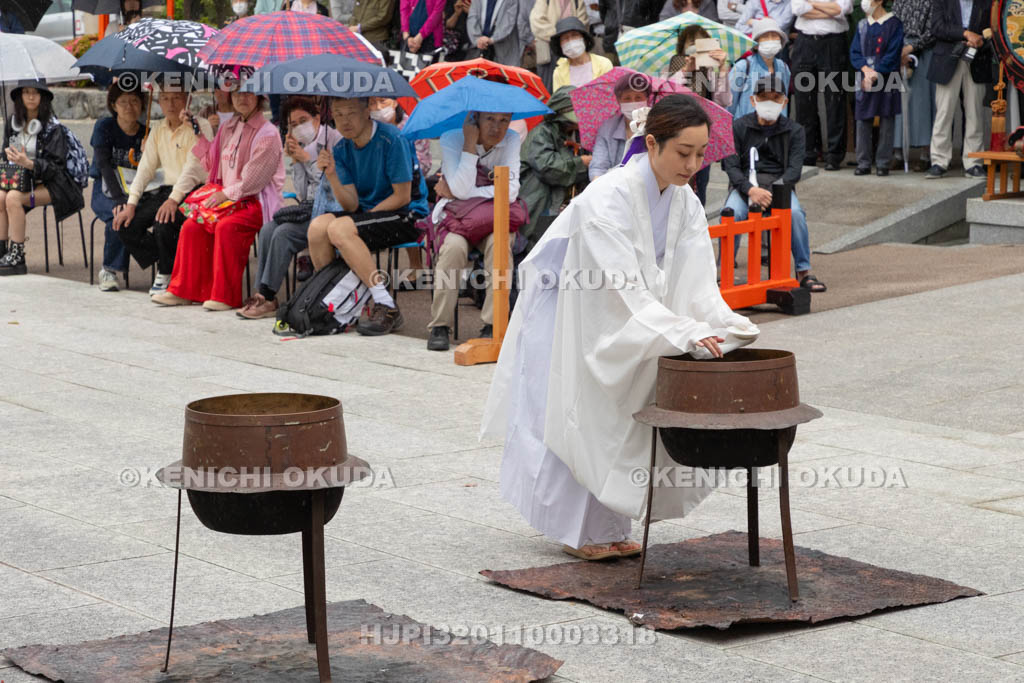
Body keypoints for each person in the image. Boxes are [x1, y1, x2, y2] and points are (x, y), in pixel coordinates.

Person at [481, 95, 757, 560]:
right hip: (576, 306)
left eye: (700, 154)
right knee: (581, 406)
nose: (692, 164)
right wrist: (676, 328)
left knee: (625, 408)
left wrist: (719, 321)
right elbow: (616, 284)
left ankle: (609, 526)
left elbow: (696, 278)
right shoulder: (606, 197)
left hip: (632, 310)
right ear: (651, 144)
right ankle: (579, 531)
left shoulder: (684, 199)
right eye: (682, 153)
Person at [152, 87, 285, 310]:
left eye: (248, 93)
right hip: (227, 200)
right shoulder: (229, 127)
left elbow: (254, 181)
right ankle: (183, 290)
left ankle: (225, 295)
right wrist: (195, 130)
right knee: (192, 227)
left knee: (226, 227)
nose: (242, 98)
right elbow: (211, 165)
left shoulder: (268, 133)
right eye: (236, 93)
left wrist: (225, 194)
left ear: (260, 97)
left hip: (254, 202)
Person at [306, 97, 428, 335]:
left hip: (406, 213)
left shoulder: (391, 138)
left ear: (367, 111)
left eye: (351, 113)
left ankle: (386, 304)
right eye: (338, 115)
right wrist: (331, 174)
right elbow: (350, 203)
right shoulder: (341, 148)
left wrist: (364, 218)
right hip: (367, 214)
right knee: (318, 227)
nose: (344, 121)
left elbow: (402, 196)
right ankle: (336, 300)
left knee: (339, 229)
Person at [238, 97, 342, 320]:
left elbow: (331, 190)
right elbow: (303, 193)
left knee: (284, 234)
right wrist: (297, 161)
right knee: (268, 229)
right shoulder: (301, 145)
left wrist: (308, 159)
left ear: (317, 118)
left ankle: (267, 294)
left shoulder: (334, 140)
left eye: (302, 120)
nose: (298, 127)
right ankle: (263, 294)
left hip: (331, 210)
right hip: (309, 209)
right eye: (293, 124)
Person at [721, 75, 825, 292]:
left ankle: (803, 271)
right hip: (744, 187)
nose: (769, 102)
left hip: (779, 187)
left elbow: (794, 170)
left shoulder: (794, 130)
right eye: (763, 97)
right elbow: (731, 166)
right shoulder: (738, 126)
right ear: (753, 100)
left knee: (795, 214)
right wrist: (750, 190)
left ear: (784, 102)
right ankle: (724, 271)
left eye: (775, 98)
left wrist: (770, 192)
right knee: (730, 213)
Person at [426, 110, 520, 350]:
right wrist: (469, 145)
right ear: (475, 118)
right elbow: (458, 189)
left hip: (493, 217)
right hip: (458, 217)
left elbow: (510, 192)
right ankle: (440, 325)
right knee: (452, 250)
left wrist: (468, 193)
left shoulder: (511, 139)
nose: (497, 128)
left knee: (500, 247)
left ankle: (493, 324)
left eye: (504, 121)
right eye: (490, 119)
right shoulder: (452, 138)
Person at [112, 82, 211, 297]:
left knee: (163, 222)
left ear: (188, 100)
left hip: (195, 191)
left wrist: (174, 200)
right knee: (125, 224)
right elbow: (146, 168)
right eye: (165, 98)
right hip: (167, 190)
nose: (170, 103)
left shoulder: (200, 125)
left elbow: (194, 168)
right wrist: (131, 204)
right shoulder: (157, 128)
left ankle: (166, 272)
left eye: (176, 98)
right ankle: (173, 260)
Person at [0, 81, 85, 276]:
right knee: (1, 197)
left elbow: (56, 169)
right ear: (19, 96)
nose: (31, 97)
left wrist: (29, 163)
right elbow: (6, 158)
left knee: (13, 198)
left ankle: (18, 256)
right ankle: (2, 251)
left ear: (43, 97)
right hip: (22, 182)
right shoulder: (14, 124)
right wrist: (8, 156)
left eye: (36, 93)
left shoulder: (53, 128)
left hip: (54, 186)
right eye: (26, 92)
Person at [924, 0, 992, 178]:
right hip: (948, 58)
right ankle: (939, 161)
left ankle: (973, 162)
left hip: (976, 59)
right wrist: (965, 33)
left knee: (975, 114)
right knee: (944, 112)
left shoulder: (987, 2)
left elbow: (993, 31)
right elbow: (937, 27)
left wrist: (979, 41)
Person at [90, 82, 147, 292]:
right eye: (123, 102)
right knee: (119, 215)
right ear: (114, 105)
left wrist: (149, 151)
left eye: (134, 101)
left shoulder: (147, 132)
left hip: (136, 190)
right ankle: (109, 270)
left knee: (139, 216)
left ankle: (159, 264)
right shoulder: (104, 127)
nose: (129, 107)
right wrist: (119, 199)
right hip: (107, 188)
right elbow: (103, 165)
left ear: (142, 104)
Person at [369, 96, 430, 288]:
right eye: (372, 103)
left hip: (410, 188)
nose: (378, 108)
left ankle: (416, 266)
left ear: (395, 102)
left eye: (383, 102)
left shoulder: (412, 127)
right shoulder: (369, 130)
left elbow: (424, 164)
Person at [668, 24, 731, 204]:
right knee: (676, 184)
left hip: (703, 134)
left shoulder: (710, 68)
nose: (696, 46)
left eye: (700, 42)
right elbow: (669, 94)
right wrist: (686, 71)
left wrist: (723, 69)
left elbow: (724, 101)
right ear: (683, 45)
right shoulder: (676, 63)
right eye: (691, 42)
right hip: (677, 133)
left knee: (700, 185)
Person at [518, 87, 588, 248]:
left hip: (567, 207)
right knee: (541, 252)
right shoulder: (541, 134)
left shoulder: (580, 135)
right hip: (542, 206)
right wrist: (581, 163)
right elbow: (548, 168)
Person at [790, 0, 853, 171]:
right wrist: (830, 10)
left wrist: (812, 3)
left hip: (833, 42)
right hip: (805, 42)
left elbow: (843, 9)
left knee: (835, 100)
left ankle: (834, 155)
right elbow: (797, 8)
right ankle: (808, 152)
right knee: (804, 101)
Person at [851, 0, 903, 176]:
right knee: (862, 118)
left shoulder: (894, 24)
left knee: (887, 118)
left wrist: (876, 72)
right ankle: (863, 162)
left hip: (888, 76)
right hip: (864, 76)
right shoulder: (862, 25)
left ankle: (883, 162)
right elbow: (855, 52)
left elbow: (893, 52)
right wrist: (865, 70)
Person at [891, 0, 937, 171]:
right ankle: (897, 153)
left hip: (925, 54)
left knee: (923, 105)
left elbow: (935, 29)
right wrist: (899, 50)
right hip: (899, 53)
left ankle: (926, 154)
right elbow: (893, 25)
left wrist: (912, 47)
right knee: (898, 107)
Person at [590, 72, 651, 179]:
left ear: (647, 100)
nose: (633, 102)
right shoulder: (607, 128)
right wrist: (599, 188)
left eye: (638, 98)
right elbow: (598, 167)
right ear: (618, 101)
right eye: (627, 98)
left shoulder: (657, 128)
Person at [729, 18, 790, 119]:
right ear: (756, 44)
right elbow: (729, 105)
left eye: (774, 36)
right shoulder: (742, 67)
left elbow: (783, 102)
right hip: (746, 130)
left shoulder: (783, 68)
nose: (770, 40)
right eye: (765, 37)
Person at [530, 0, 591, 91]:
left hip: (573, 47)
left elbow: (582, 22)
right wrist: (558, 37)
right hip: (549, 48)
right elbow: (537, 21)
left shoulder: (577, 1)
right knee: (549, 85)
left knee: (575, 81)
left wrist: (569, 38)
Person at [550, 17, 613, 90]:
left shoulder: (603, 64)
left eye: (574, 35)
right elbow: (560, 100)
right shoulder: (559, 73)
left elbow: (609, 93)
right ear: (560, 45)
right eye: (565, 38)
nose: (570, 41)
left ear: (584, 39)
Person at [467, 0, 534, 66]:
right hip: (479, 48)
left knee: (504, 74)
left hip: (505, 50)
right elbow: (472, 17)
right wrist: (477, 39)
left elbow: (509, 22)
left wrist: (492, 39)